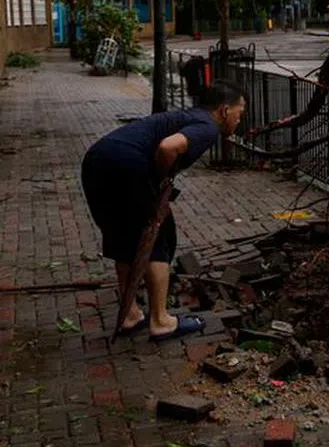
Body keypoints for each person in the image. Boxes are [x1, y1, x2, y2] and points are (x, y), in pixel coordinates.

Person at [81, 81, 246, 341]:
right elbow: (169, 147)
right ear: (225, 111)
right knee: (159, 234)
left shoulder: (188, 117)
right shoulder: (207, 126)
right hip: (127, 165)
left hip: (97, 160)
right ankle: (160, 320)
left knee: (123, 238)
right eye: (240, 112)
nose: (240, 120)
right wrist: (159, 178)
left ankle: (130, 315)